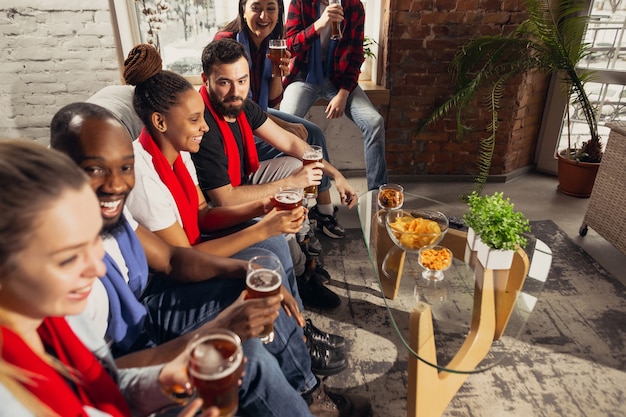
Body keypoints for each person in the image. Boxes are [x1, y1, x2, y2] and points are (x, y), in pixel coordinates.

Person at [50, 102, 368, 416]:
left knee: (262, 279)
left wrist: (246, 269)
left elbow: (172, 258)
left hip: (145, 312)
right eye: (95, 168)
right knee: (249, 353)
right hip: (137, 341)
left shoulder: (114, 216)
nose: (117, 183)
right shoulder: (60, 268)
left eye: (124, 167)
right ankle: (305, 390)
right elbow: (97, 378)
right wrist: (218, 327)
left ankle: (305, 382)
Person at [0, 141, 217, 417]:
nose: (99, 269)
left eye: (94, 242)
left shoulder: (55, 313)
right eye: (68, 258)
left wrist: (157, 383)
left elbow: (105, 383)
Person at [192, 39, 352, 310]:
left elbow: (290, 143)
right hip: (218, 207)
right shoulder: (202, 125)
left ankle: (301, 245)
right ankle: (301, 274)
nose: (235, 91)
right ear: (205, 79)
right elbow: (225, 201)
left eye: (242, 81)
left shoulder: (239, 104)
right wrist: (290, 183)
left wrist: (336, 175)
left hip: (241, 182)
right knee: (286, 198)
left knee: (296, 163)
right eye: (224, 82)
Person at [215, 0, 357, 240]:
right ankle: (299, 207)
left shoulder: (272, 41)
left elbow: (271, 101)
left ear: (279, 11)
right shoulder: (228, 41)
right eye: (256, 7)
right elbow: (239, 107)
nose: (263, 15)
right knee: (297, 145)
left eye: (271, 8)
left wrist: (278, 73)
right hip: (234, 124)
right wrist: (284, 125)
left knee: (313, 133)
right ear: (242, 8)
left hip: (258, 112)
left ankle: (323, 211)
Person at [281, 0, 388, 191]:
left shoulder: (354, 6)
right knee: (285, 124)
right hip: (304, 77)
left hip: (339, 79)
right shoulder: (300, 3)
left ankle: (377, 194)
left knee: (374, 122)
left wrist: (344, 93)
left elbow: (355, 55)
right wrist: (319, 25)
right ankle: (291, 192)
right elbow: (289, 45)